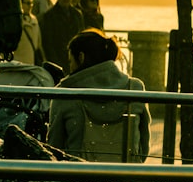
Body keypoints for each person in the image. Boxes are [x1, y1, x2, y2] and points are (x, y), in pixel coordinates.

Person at [47, 29, 150, 163]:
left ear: (81, 57)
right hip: (128, 178)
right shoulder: (134, 88)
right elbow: (144, 145)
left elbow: (54, 149)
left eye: (70, 61)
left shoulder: (64, 94)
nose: (70, 67)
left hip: (79, 179)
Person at [39, 0, 84, 72]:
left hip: (75, 60)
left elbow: (81, 37)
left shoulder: (77, 15)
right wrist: (54, 61)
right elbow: (47, 41)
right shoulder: (49, 16)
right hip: (57, 60)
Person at [14, 0, 44, 66]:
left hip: (31, 64)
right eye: (27, 3)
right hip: (17, 65)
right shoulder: (14, 22)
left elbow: (38, 44)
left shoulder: (34, 20)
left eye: (31, 3)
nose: (30, 6)